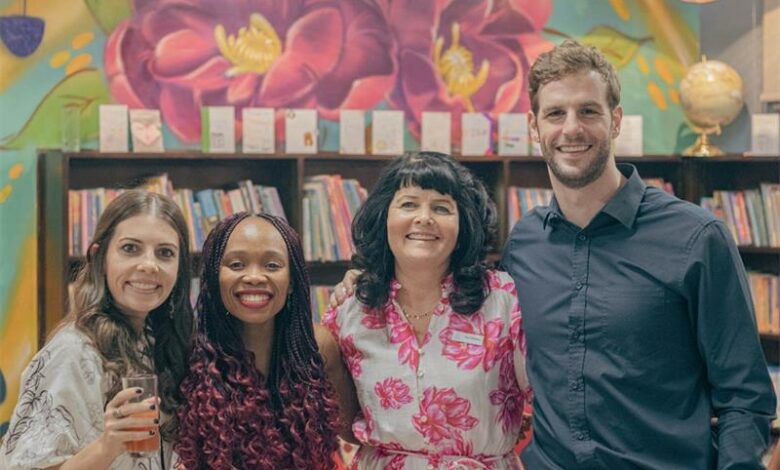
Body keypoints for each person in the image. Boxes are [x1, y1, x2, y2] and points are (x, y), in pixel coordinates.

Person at [501, 40, 775, 468]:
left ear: (615, 121)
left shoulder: (697, 237)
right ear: (534, 127)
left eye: (588, 111)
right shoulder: (523, 244)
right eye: (556, 113)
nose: (571, 128)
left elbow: (745, 396)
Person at [322, 151, 531, 469]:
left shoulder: (503, 299)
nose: (424, 217)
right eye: (408, 204)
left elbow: (546, 397)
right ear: (384, 217)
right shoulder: (351, 309)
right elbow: (335, 416)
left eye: (441, 207)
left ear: (464, 223)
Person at [0, 190, 194, 470]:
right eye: (130, 248)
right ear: (100, 257)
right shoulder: (72, 352)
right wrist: (107, 446)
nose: (149, 265)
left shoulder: (157, 340)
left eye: (165, 253)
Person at [175, 212, 356, 469]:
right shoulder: (190, 351)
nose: (254, 277)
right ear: (215, 278)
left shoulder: (318, 346)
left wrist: (367, 284)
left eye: (272, 265)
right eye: (237, 265)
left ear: (292, 281)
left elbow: (357, 431)